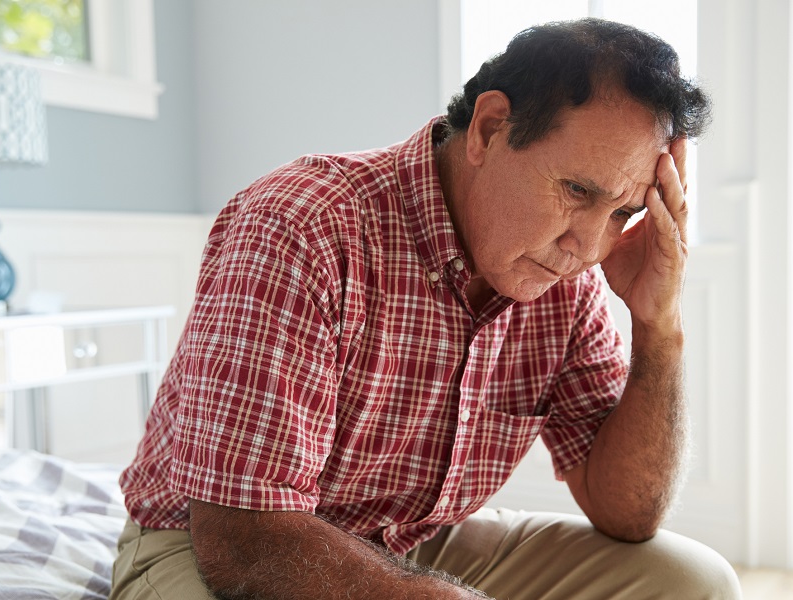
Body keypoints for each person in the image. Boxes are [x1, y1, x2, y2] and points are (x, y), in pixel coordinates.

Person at [111, 18, 742, 600]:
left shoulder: (564, 277)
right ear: (491, 130)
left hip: (409, 539)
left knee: (692, 583)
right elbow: (238, 539)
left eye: (623, 213)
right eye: (577, 191)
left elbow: (626, 513)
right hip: (214, 546)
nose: (587, 246)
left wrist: (660, 326)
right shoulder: (304, 227)